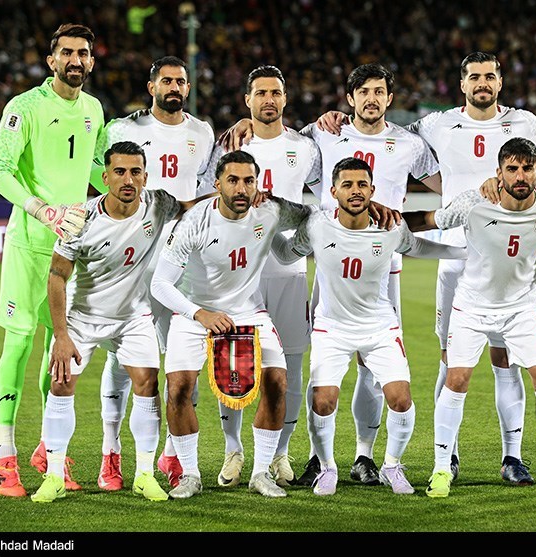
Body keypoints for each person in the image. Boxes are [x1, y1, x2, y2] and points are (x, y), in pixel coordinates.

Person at [316, 52, 536, 486]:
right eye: (474, 77)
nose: (482, 83)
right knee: (450, 361)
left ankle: (513, 456)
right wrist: (336, 118)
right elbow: (383, 132)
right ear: (463, 84)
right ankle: (447, 457)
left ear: (500, 82)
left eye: (489, 76)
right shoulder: (436, 125)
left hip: (507, 261)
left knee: (506, 360)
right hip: (456, 258)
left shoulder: (523, 122)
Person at [220, 63, 442, 486]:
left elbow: (445, 182)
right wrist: (245, 122)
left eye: (379, 91)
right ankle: (314, 458)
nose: (372, 99)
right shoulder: (323, 135)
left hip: (384, 264)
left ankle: (364, 455)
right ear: (350, 97)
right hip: (329, 262)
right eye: (364, 91)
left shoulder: (409, 143)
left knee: (373, 366)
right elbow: (274, 135)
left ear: (390, 98)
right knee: (319, 359)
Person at [271, 157, 465, 496]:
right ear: (333, 192)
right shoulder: (317, 225)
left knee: (400, 399)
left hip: (379, 327)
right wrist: (267, 229)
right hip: (332, 328)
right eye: (347, 185)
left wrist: (463, 253)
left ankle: (391, 465)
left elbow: (418, 247)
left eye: (362, 184)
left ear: (373, 190)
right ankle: (327, 467)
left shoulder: (390, 227)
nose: (355, 191)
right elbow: (287, 255)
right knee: (322, 401)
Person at [404, 138, 536, 498]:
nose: (520, 176)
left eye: (527, 168)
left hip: (522, 307)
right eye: (512, 169)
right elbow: (427, 220)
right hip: (472, 305)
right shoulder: (474, 203)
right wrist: (378, 221)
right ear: (499, 172)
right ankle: (441, 469)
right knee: (456, 379)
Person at [82, 55, 217, 492]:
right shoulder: (123, 129)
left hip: (185, 264)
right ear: (151, 86)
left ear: (188, 88)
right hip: (134, 261)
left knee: (184, 362)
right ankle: (111, 452)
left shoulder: (203, 132)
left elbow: (206, 189)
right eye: (166, 81)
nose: (174, 87)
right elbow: (98, 175)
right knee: (123, 360)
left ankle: (173, 453)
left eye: (181, 81)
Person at [31, 141, 193, 503]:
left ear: (145, 177)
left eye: (135, 172)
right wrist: (61, 336)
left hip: (133, 317)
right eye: (119, 171)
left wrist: (228, 194)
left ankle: (144, 475)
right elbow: (57, 276)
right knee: (61, 383)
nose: (128, 179)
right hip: (84, 317)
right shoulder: (80, 219)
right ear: (105, 177)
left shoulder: (158, 204)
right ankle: (54, 475)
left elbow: (190, 208)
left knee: (147, 383)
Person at [150, 150, 316, 499]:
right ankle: (190, 475)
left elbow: (312, 218)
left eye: (249, 181)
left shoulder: (271, 210)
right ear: (217, 184)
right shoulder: (195, 221)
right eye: (233, 180)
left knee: (277, 382)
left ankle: (261, 473)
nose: (242, 189)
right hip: (195, 313)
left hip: (248, 312)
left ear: (258, 184)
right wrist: (200, 314)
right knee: (178, 388)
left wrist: (302, 243)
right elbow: (160, 284)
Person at [0, 23, 104, 497]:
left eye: (83, 53)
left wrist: (129, 195)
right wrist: (41, 209)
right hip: (29, 245)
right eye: (67, 53)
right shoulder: (25, 107)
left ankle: (48, 450)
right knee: (18, 344)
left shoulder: (93, 109)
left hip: (69, 251)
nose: (76, 60)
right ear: (52, 60)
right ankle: (4, 454)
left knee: (61, 350)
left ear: (91, 61)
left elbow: (97, 167)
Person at [204, 65, 322, 489]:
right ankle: (233, 449)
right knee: (233, 363)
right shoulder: (229, 145)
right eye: (260, 93)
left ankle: (280, 453)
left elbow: (325, 198)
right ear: (247, 100)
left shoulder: (306, 148)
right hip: (238, 274)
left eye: (275, 92)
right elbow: (209, 197)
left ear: (285, 99)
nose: (268, 100)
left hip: (289, 270)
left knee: (290, 363)